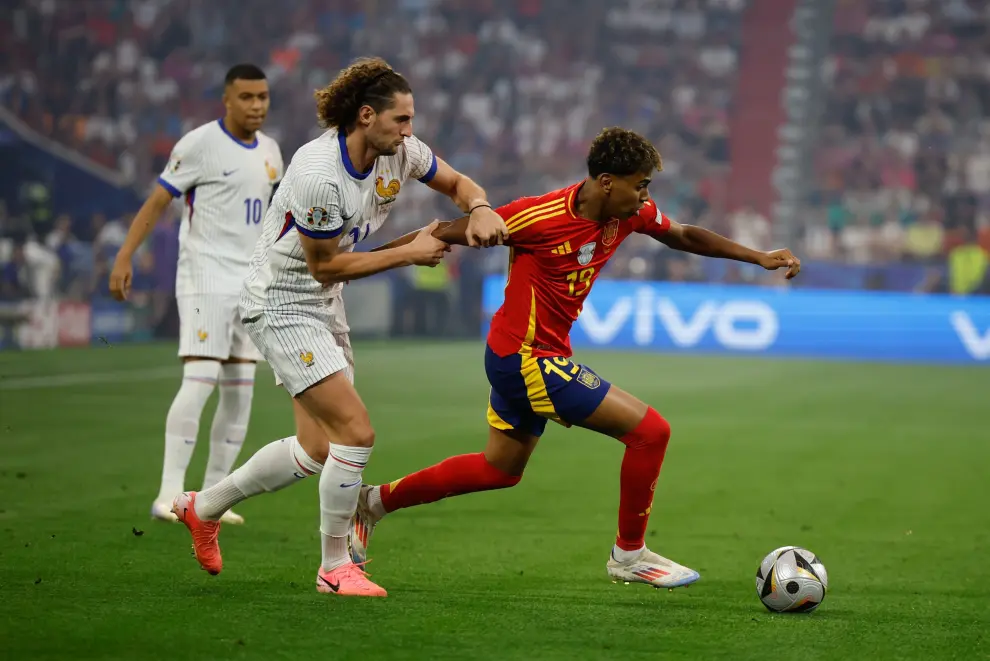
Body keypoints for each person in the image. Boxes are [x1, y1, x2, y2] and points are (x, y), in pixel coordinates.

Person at [349, 127, 802, 589]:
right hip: (523, 358)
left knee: (499, 470)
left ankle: (372, 503)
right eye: (640, 184)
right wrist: (356, 265)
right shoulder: (535, 216)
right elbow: (439, 233)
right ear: (607, 181)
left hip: (530, 356)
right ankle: (629, 555)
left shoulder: (631, 213)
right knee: (651, 432)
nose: (646, 196)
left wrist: (757, 257)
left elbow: (684, 235)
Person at [170, 57, 508, 598]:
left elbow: (457, 182)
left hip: (324, 303)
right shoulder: (319, 175)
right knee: (355, 432)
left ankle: (202, 507)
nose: (409, 130)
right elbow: (324, 264)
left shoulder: (401, 151)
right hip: (282, 303)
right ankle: (334, 567)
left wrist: (482, 205)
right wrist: (409, 254)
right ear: (366, 116)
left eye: (412, 119)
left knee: (316, 451)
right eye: (401, 120)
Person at [109, 64, 283, 525]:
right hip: (205, 275)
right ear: (227, 99)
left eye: (262, 97)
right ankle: (168, 493)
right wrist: (126, 255)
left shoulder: (271, 152)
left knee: (240, 391)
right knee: (201, 377)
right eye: (246, 97)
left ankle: (210, 499)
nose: (256, 105)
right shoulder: (199, 144)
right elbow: (158, 201)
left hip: (251, 282)